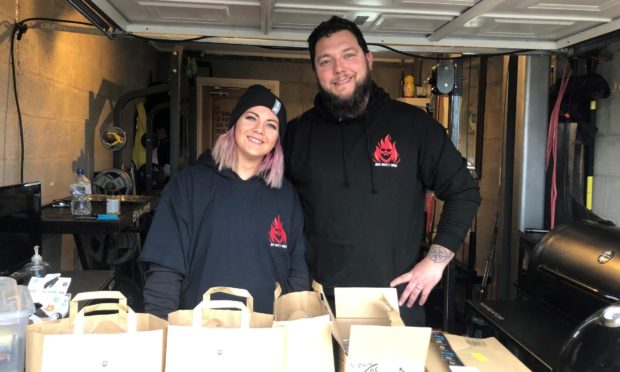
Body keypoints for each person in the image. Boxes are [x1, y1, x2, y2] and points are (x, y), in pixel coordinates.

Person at [284, 16, 481, 326]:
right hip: (315, 306)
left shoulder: (413, 126)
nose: (339, 68)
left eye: (348, 54)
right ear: (316, 72)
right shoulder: (296, 134)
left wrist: (435, 261)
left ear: (368, 59)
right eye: (326, 61)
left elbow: (464, 191)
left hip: (394, 305)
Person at [140, 85, 310, 318]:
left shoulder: (286, 196)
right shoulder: (189, 185)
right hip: (199, 334)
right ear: (234, 124)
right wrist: (161, 332)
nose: (259, 129)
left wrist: (293, 328)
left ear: (277, 141)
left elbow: (297, 275)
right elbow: (165, 269)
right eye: (251, 118)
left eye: (271, 125)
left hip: (266, 336)